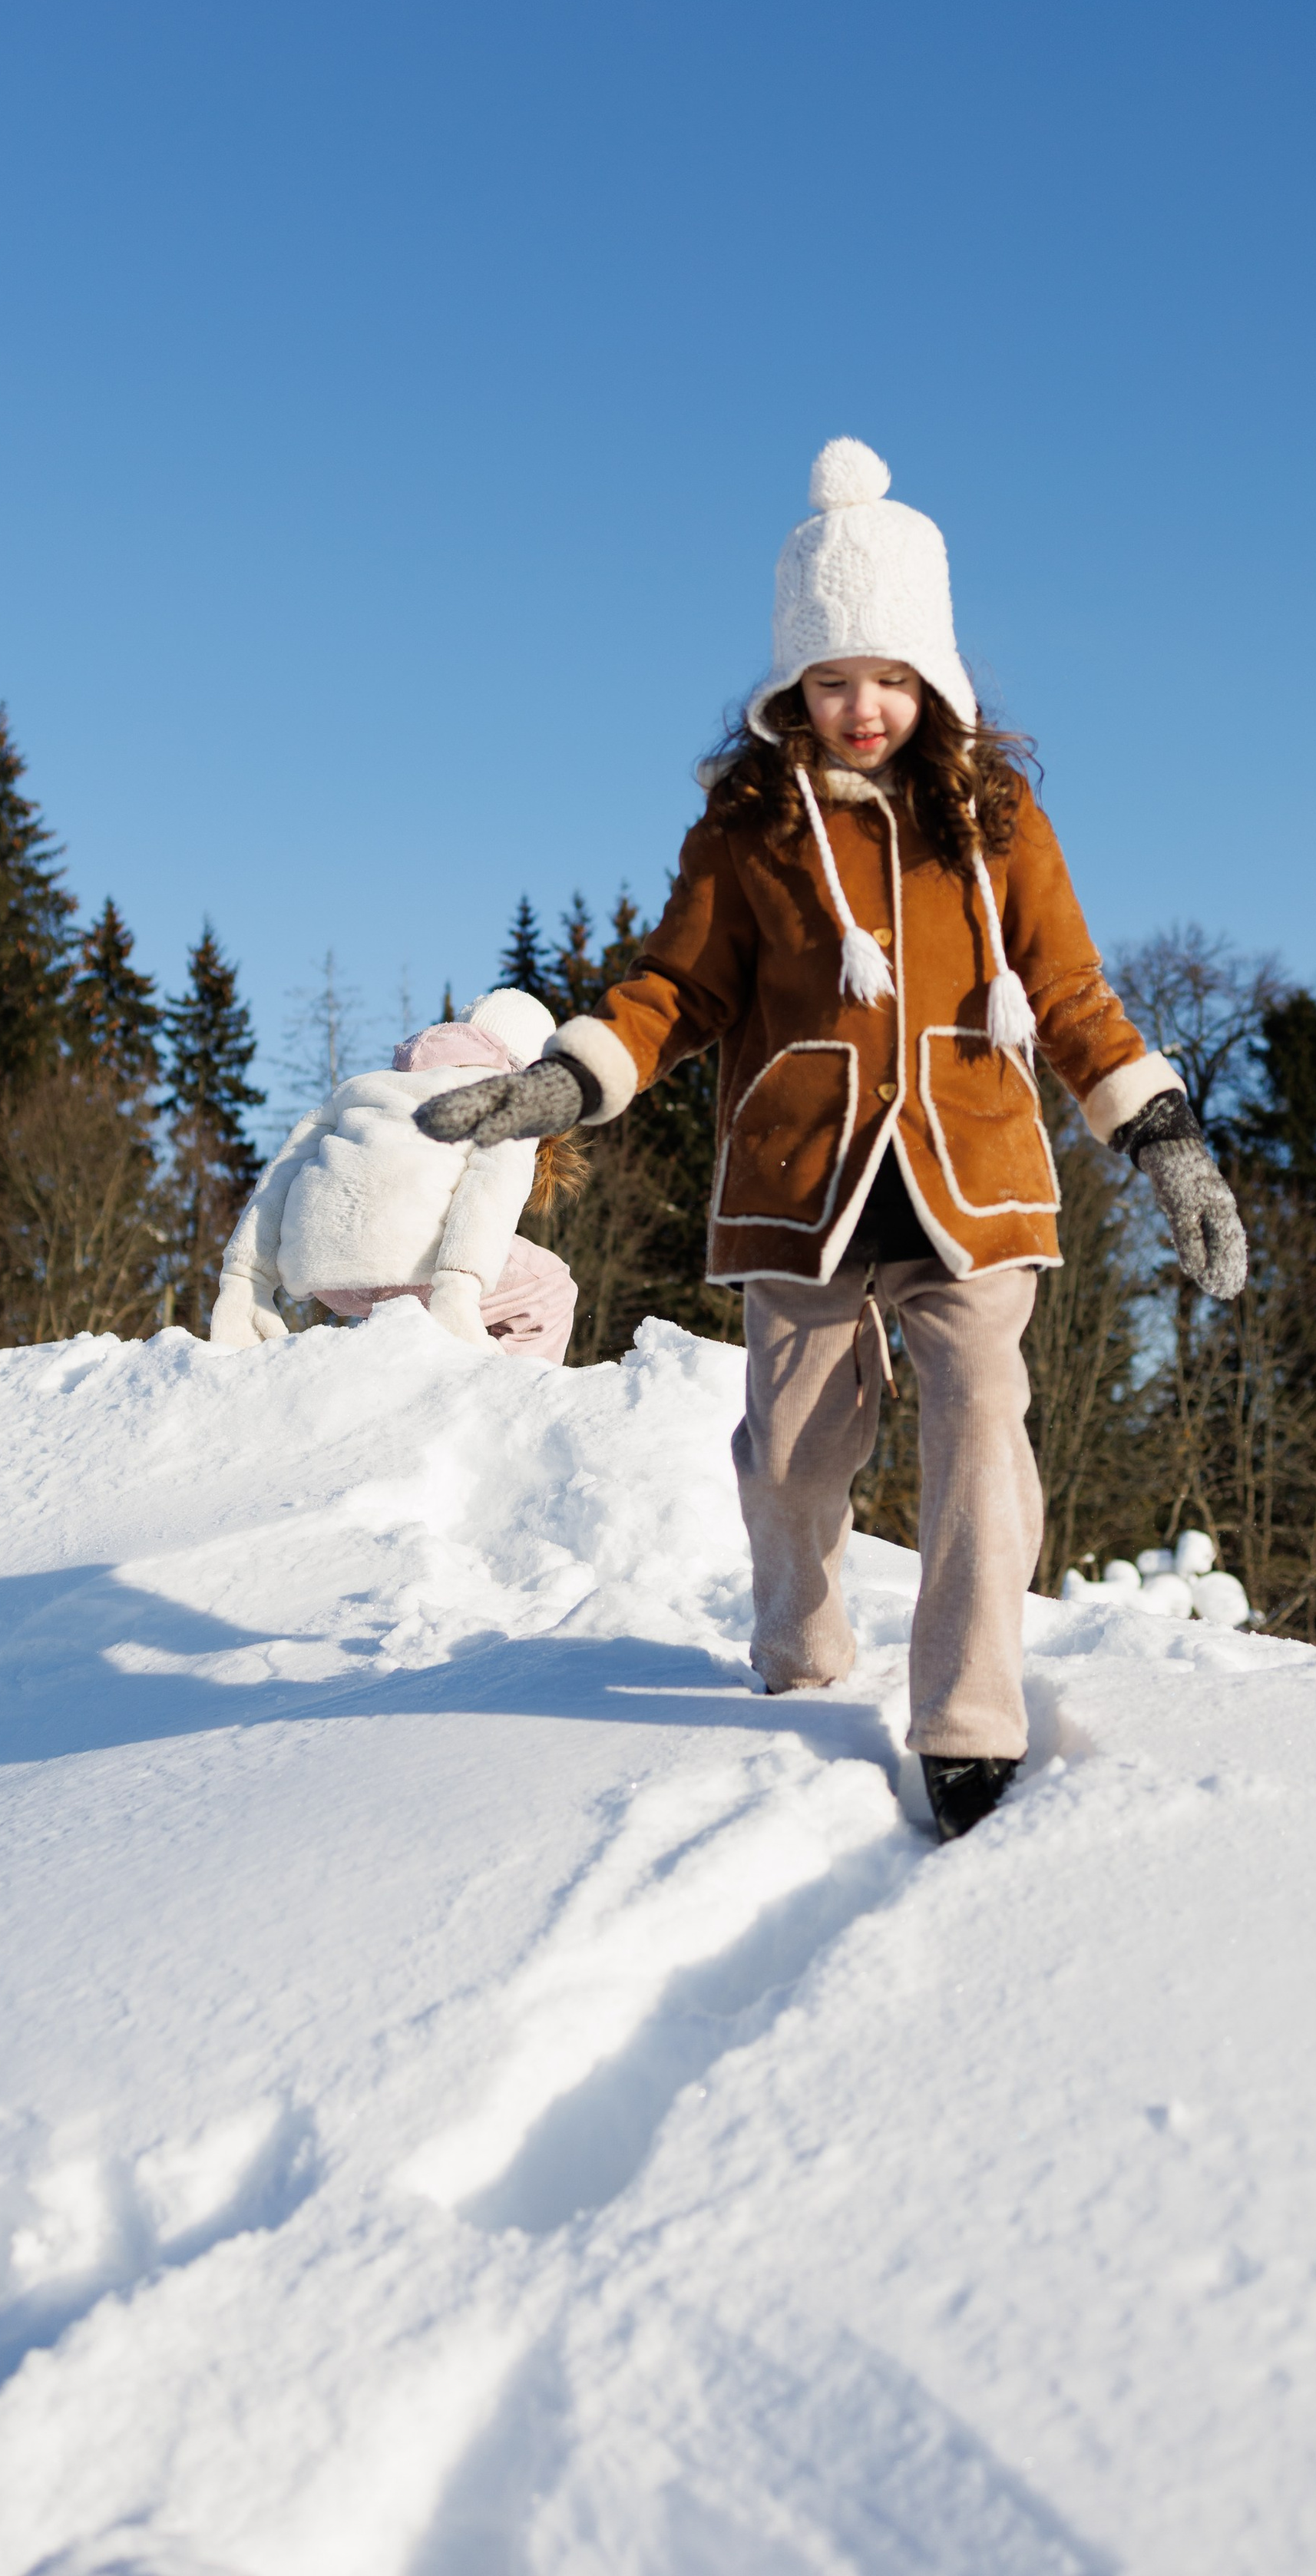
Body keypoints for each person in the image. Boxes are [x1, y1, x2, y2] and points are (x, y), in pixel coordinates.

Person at [417, 440, 1245, 1836]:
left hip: (973, 1181)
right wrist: (570, 1078)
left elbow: (1071, 995)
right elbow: (677, 990)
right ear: (793, 687)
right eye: (834, 678)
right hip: (802, 1184)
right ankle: (801, 1639)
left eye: (890, 675)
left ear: (934, 678)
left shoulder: (996, 818)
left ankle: (969, 1719)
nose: (864, 706)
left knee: (984, 1423)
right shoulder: (747, 829)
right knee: (798, 1452)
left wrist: (1166, 1139)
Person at [210, 987, 583, 1361]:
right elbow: (490, 1194)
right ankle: (508, 1402)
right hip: (411, 1264)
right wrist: (458, 1289)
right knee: (549, 1286)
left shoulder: (362, 1085)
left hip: (322, 1268)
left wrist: (246, 1279)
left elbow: (281, 1173)